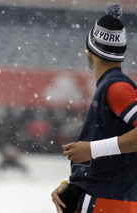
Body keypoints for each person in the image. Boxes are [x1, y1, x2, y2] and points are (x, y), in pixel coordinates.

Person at [51, 4, 137, 212]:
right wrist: (69, 181)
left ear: (89, 52)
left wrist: (90, 149)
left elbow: (100, 151)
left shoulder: (116, 87)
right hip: (109, 197)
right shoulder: (113, 86)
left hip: (107, 200)